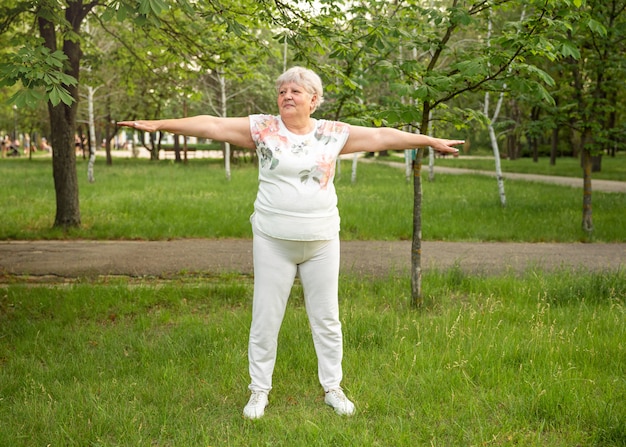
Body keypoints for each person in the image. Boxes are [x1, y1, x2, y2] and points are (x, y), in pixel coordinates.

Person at [118, 66, 463, 420]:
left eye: (295, 91)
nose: (286, 96)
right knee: (266, 318)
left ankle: (333, 388)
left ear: (314, 100)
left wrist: (429, 141)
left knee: (327, 318)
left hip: (322, 241)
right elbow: (213, 124)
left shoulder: (333, 133)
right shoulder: (263, 128)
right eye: (282, 91)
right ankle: (258, 392)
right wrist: (161, 124)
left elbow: (382, 136)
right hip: (273, 241)